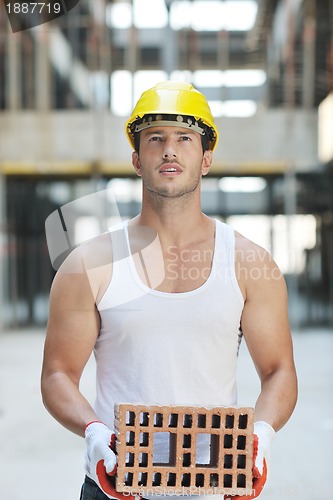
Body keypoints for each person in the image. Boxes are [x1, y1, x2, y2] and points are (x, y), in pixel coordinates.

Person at [41, 81, 298, 500]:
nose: (169, 150)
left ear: (206, 157)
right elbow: (57, 373)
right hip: (116, 482)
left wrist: (261, 436)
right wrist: (94, 433)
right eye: (155, 139)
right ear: (137, 159)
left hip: (214, 486)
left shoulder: (250, 263)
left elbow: (279, 371)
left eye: (184, 138)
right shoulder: (90, 264)